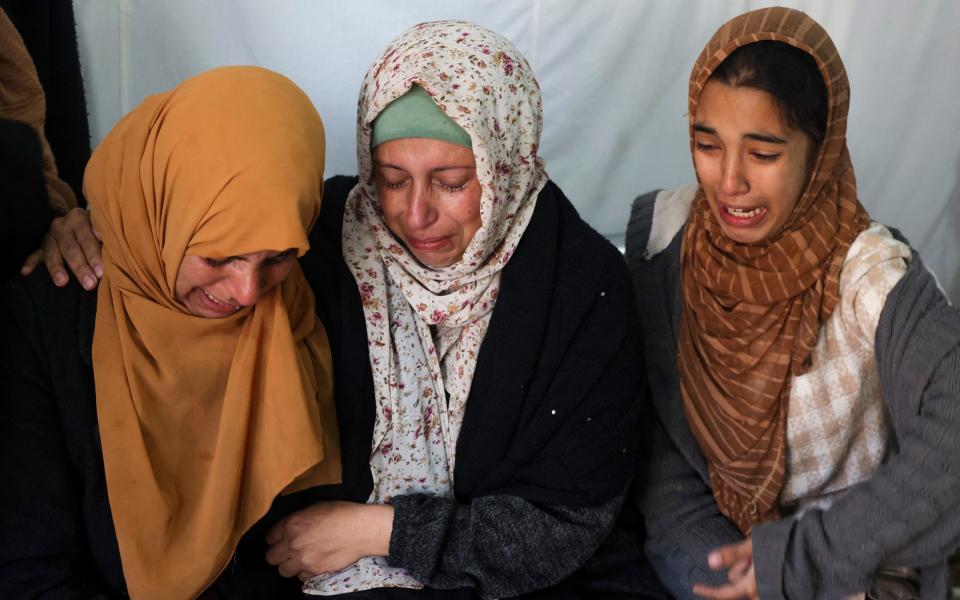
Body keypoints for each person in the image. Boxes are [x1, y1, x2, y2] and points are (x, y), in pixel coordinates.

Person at [626, 6, 960, 599]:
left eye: (763, 153)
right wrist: (722, 576)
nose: (729, 181)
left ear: (820, 150)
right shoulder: (665, 243)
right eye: (707, 144)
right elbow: (668, 476)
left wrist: (796, 564)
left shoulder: (873, 278)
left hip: (857, 572)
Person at [0, 66, 341, 599]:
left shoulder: (316, 290)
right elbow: (30, 576)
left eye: (277, 258)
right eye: (219, 256)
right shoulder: (47, 322)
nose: (248, 292)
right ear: (158, 214)